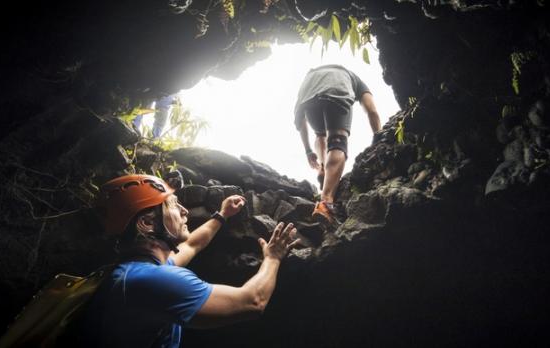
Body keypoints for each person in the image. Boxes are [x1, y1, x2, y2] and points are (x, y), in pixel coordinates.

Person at [66, 174, 300, 347]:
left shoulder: (136, 272)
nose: (185, 211)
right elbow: (252, 302)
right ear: (147, 223)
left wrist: (221, 215)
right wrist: (273, 257)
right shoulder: (148, 281)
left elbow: (191, 245)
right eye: (174, 206)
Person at [294, 65, 382, 223]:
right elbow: (372, 111)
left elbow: (300, 119)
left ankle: (323, 168)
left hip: (308, 96)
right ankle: (326, 201)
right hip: (337, 90)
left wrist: (308, 150)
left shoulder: (312, 76)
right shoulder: (354, 78)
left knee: (320, 133)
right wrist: (380, 137)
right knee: (337, 141)